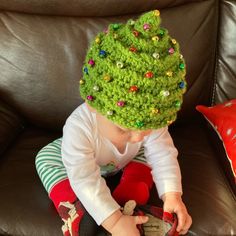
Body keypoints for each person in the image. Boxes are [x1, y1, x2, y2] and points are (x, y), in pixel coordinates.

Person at [35, 10, 192, 236]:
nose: (138, 137)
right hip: (84, 162)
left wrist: (172, 196)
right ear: (93, 106)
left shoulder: (149, 118)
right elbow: (85, 178)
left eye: (145, 128)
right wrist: (113, 222)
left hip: (125, 162)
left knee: (148, 152)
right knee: (45, 158)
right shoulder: (78, 128)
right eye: (124, 129)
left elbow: (163, 154)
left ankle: (129, 198)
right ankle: (75, 207)